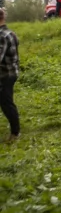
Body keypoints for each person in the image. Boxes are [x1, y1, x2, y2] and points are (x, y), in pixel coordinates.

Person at [0, 8, 20, 143]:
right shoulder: (10, 33)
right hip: (12, 71)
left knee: (6, 103)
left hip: (5, 74)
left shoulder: (2, 36)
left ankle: (15, 133)